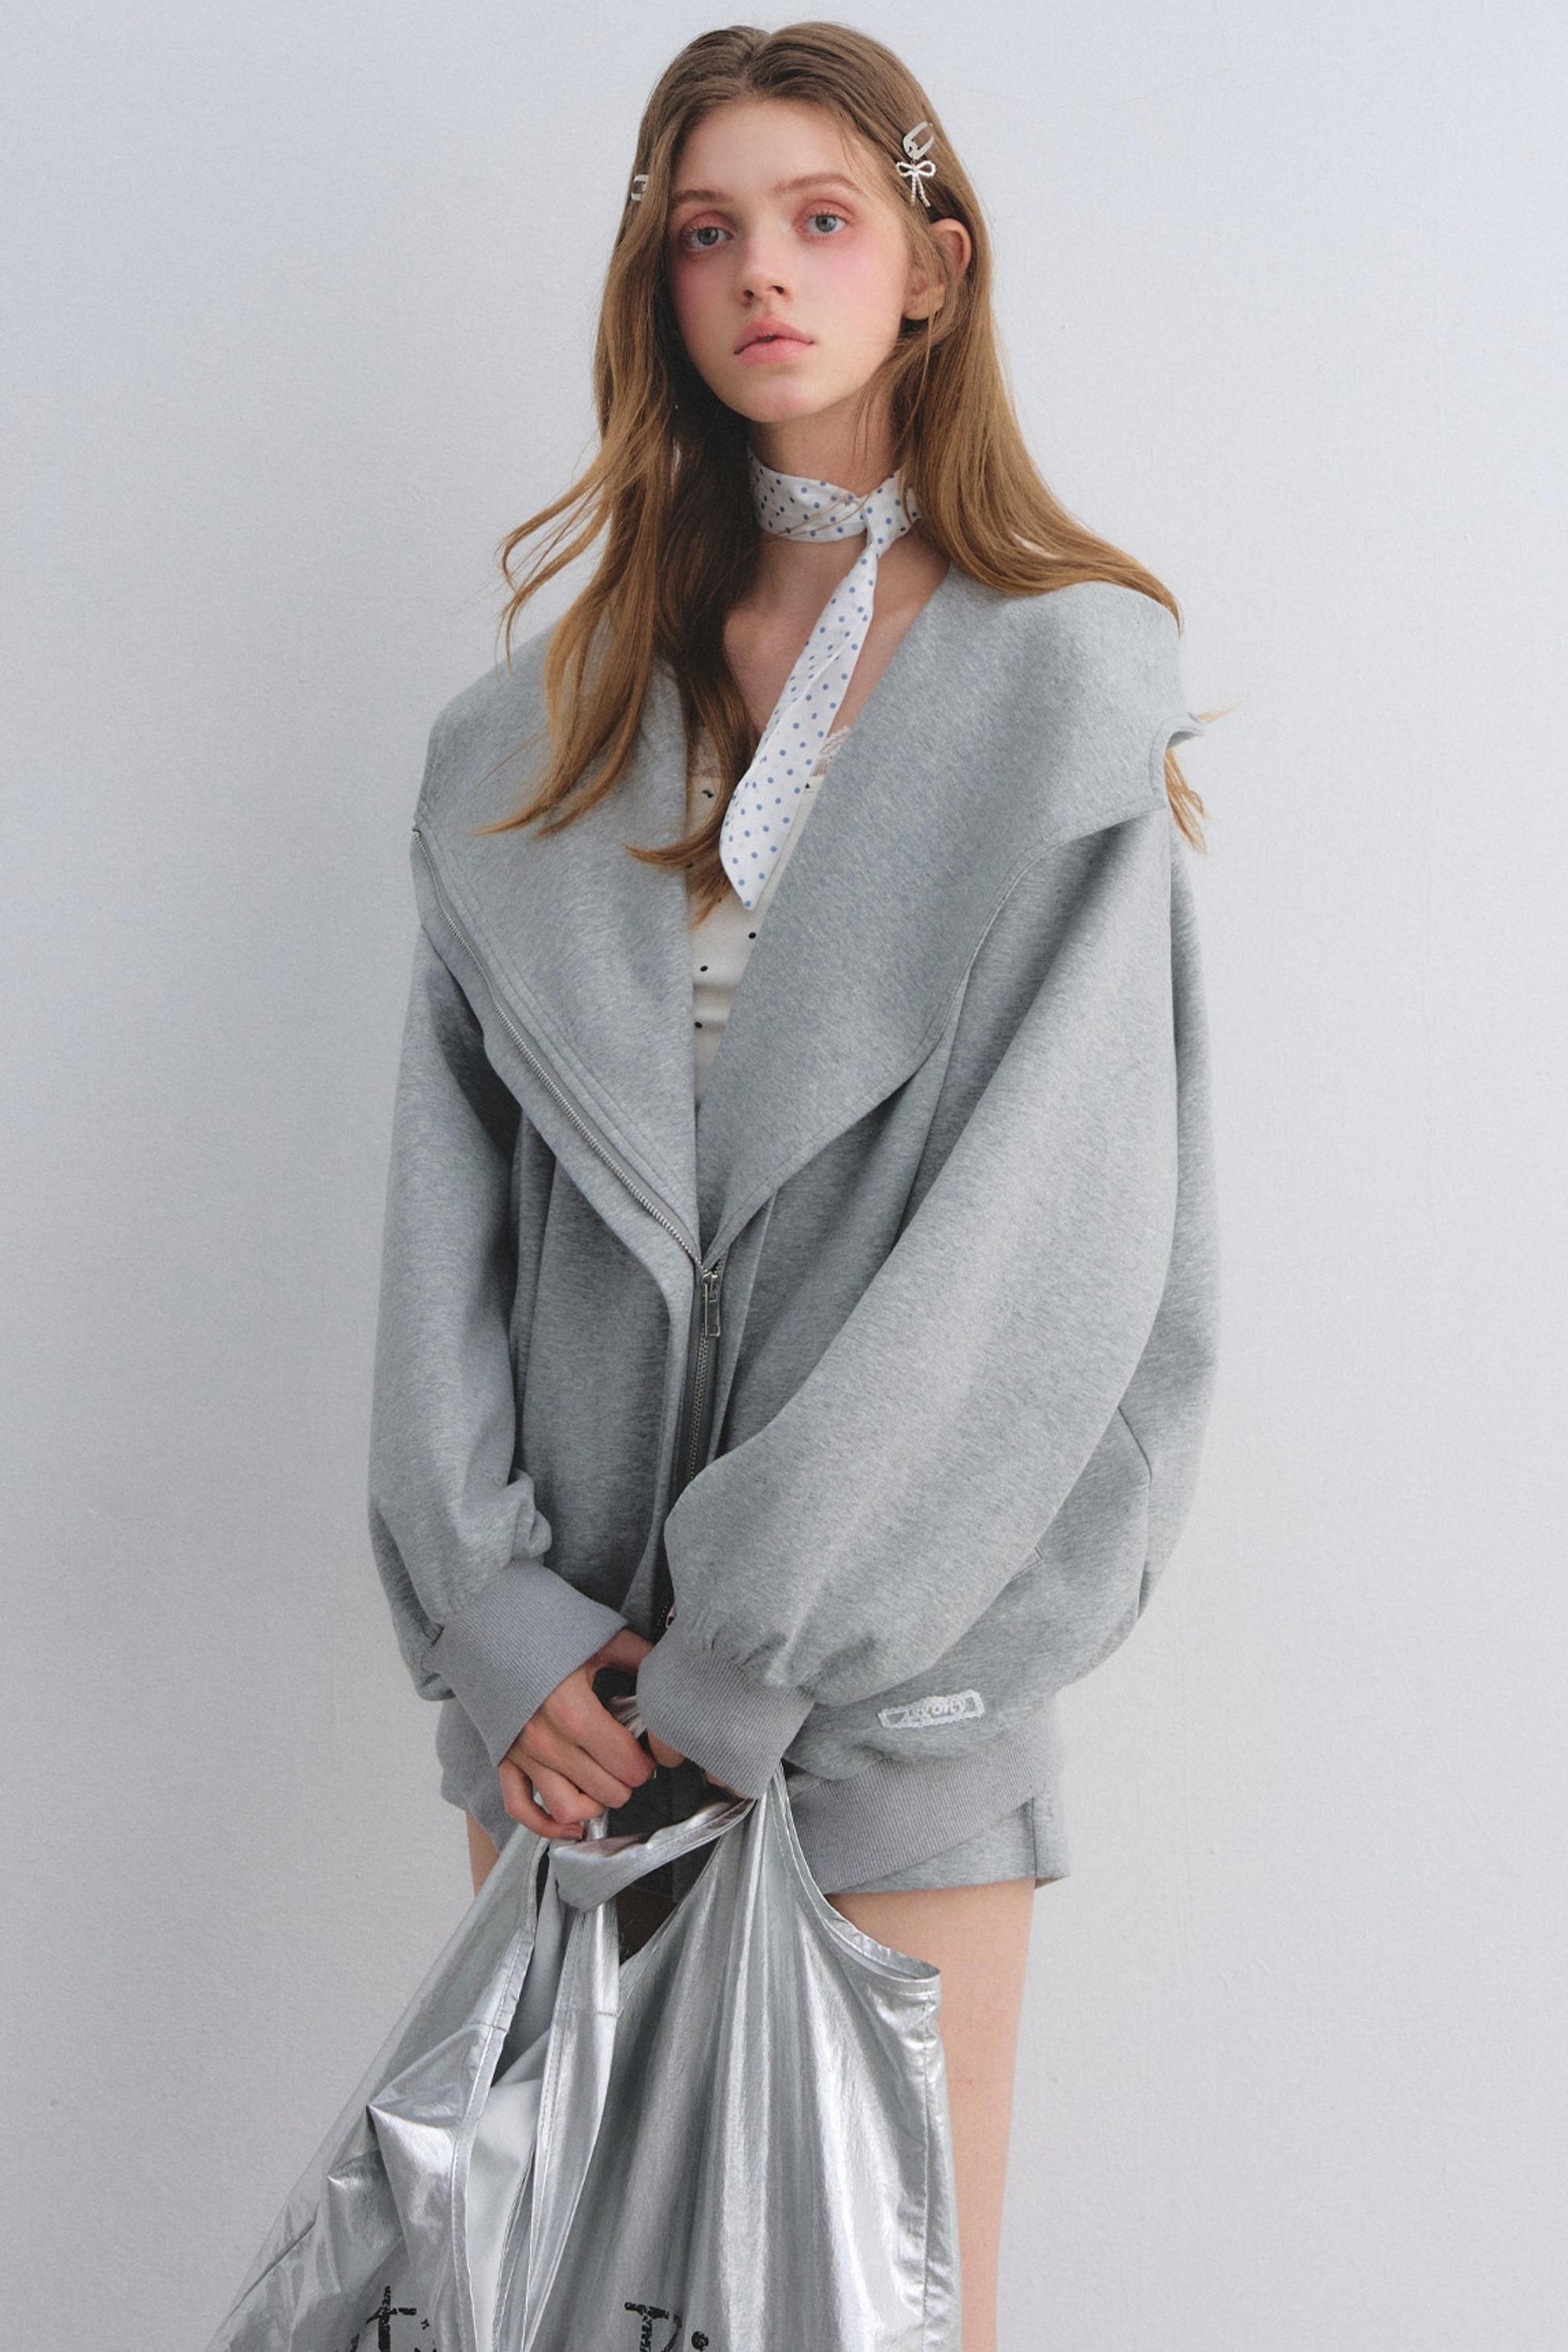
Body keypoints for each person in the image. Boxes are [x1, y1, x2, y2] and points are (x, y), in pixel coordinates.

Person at [367, 25, 1220, 2350]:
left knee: (877, 2319)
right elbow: (444, 1218)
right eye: (706, 231)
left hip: (876, 1691)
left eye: (821, 219)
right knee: (549, 2315)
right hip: (570, 1716)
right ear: (656, 285)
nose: (762, 272)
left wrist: (745, 1648)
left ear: (931, 267)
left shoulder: (1061, 690)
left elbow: (1047, 1243)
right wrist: (499, 1620)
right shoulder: (523, 740)